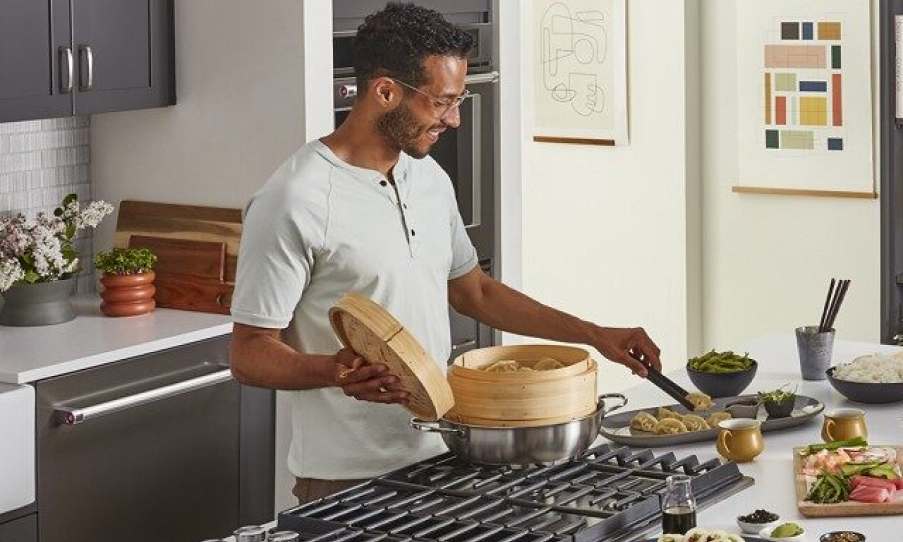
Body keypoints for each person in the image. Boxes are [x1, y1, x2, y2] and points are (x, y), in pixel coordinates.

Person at [230, 2, 660, 504]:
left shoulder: (427, 175)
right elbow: (249, 354)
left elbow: (474, 290)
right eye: (441, 103)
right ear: (385, 92)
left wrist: (594, 335)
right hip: (348, 481)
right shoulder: (294, 198)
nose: (454, 120)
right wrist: (337, 371)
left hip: (446, 455)